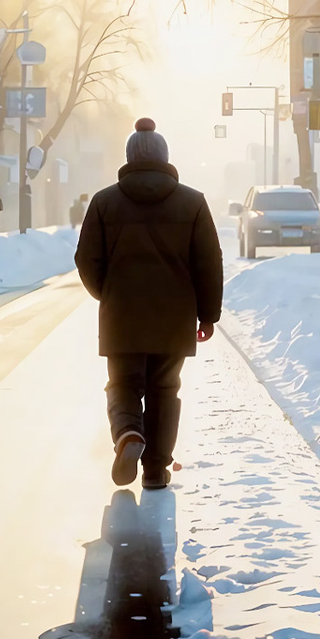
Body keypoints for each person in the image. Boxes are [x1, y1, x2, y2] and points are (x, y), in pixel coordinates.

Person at [75, 117, 223, 490]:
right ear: (165, 156)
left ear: (129, 157)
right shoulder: (192, 203)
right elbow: (209, 261)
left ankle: (127, 433)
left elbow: (86, 259)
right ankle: (156, 469)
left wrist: (107, 293)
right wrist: (207, 314)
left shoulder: (104, 202)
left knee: (123, 384)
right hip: (174, 318)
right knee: (164, 389)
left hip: (121, 315)